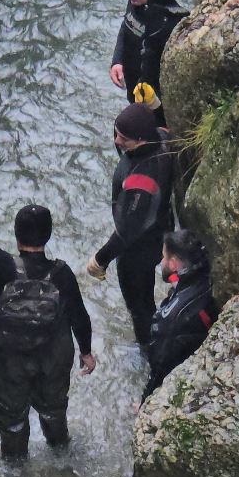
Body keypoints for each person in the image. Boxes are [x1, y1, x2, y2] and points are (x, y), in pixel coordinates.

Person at [0, 161, 96, 463]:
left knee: (12, 423)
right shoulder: (62, 274)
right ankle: (62, 462)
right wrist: (87, 352)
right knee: (53, 413)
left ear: (16, 235)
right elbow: (80, 316)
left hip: (8, 363)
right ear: (48, 236)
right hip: (51, 361)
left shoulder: (3, 267)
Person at [122, 229, 218, 477]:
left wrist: (145, 406)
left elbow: (160, 368)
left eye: (163, 258)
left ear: (174, 263)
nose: (160, 262)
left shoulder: (170, 319)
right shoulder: (205, 277)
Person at [86, 104, 174, 344]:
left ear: (141, 141)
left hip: (140, 248)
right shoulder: (162, 138)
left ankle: (149, 347)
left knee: (140, 305)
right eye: (116, 133)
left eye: (123, 138)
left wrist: (100, 260)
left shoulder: (141, 183)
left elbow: (127, 231)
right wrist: (154, 106)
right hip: (161, 226)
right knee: (144, 297)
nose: (116, 141)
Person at [109, 0, 190, 128]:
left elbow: (180, 75)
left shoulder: (172, 21)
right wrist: (117, 61)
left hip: (157, 102)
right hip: (134, 88)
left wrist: (157, 106)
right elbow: (126, 27)